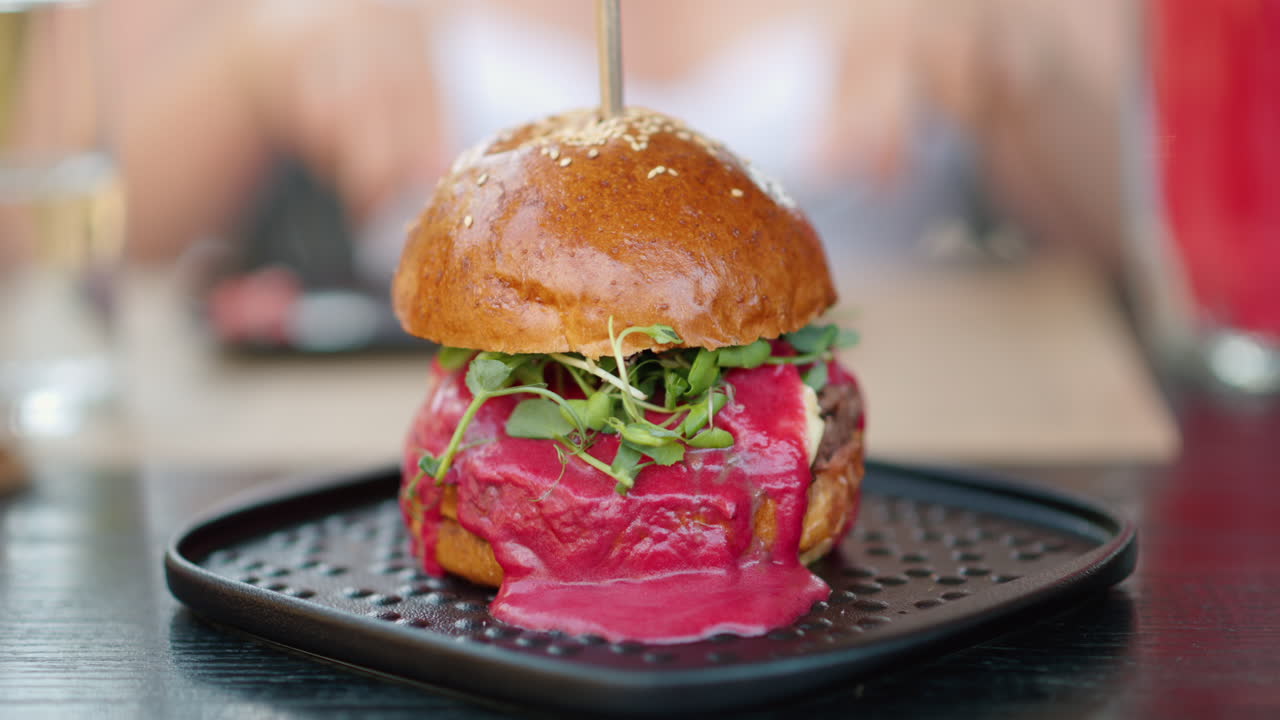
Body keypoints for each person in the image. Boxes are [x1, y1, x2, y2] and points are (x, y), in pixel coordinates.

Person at [110, 0, 1129, 265]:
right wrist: (245, 57)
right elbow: (44, 240)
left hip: (944, 489)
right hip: (371, 505)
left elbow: (1162, 248)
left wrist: (1020, 62)